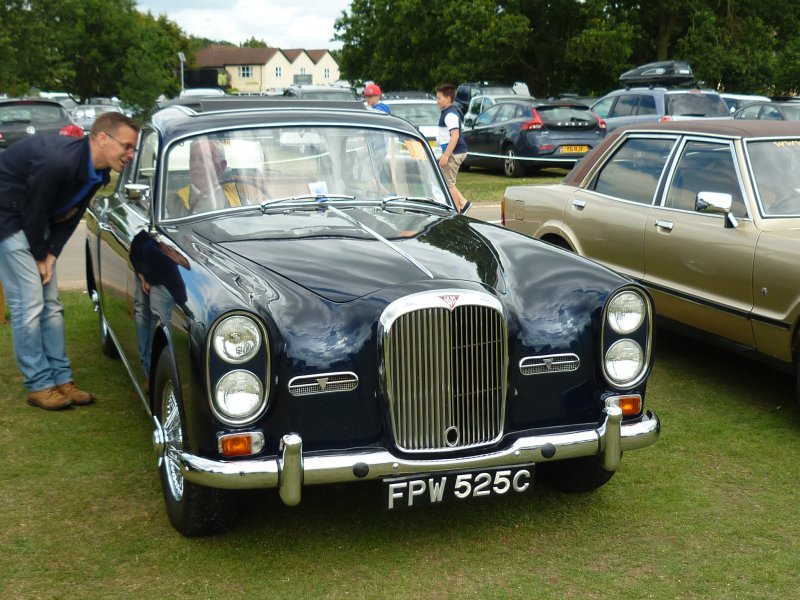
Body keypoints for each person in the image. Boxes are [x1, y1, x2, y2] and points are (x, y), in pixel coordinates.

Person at [0, 111, 140, 410]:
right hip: (8, 218)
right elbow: (34, 209)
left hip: (34, 220)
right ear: (102, 138)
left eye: (133, 148)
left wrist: (50, 255)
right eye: (126, 146)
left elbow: (70, 215)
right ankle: (39, 385)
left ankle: (62, 379)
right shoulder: (58, 162)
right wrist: (39, 255)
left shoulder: (98, 173)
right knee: (29, 304)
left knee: (51, 305)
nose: (130, 154)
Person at [165, 138, 255, 218]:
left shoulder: (239, 199)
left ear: (222, 166)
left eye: (203, 159)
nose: (195, 165)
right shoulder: (171, 202)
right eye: (192, 160)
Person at [435, 84, 470, 213]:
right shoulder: (447, 113)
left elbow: (454, 136)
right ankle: (463, 204)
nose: (437, 101)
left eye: (439, 98)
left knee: (448, 184)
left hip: (454, 152)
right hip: (453, 151)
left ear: (448, 99)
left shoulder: (450, 115)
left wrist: (446, 155)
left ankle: (457, 210)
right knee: (447, 181)